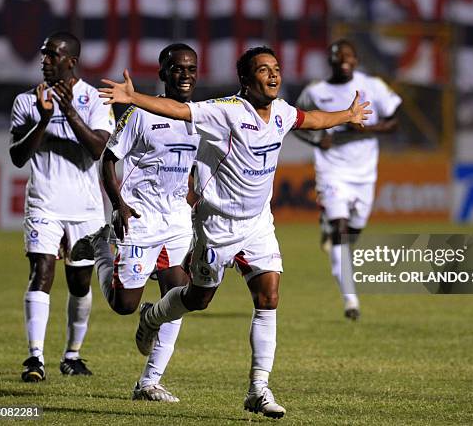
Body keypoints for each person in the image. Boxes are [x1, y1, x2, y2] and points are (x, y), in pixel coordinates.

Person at [97, 46, 371, 419]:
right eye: (263, 70)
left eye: (276, 68)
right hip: (216, 226)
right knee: (196, 300)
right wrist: (134, 98)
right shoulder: (224, 110)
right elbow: (179, 110)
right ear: (246, 79)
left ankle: (258, 388)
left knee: (269, 295)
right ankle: (152, 317)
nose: (273, 75)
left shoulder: (282, 112)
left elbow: (312, 119)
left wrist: (347, 115)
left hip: (258, 224)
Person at [71, 43, 199, 402]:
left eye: (191, 69)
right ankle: (99, 247)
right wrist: (119, 204)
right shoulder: (140, 113)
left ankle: (149, 382)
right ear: (163, 73)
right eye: (177, 68)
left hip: (176, 221)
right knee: (124, 306)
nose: (185, 75)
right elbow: (108, 160)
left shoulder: (199, 116)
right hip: (139, 217)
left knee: (180, 298)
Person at [9, 31, 114, 382]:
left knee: (80, 282)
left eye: (52, 55)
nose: (45, 61)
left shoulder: (95, 99)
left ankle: (72, 355)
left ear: (71, 61)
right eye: (44, 55)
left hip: (85, 208)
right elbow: (17, 155)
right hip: (44, 203)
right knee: (41, 272)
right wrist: (42, 120)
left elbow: (99, 148)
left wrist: (67, 111)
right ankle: (35, 358)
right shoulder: (27, 101)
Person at [295, 39, 401, 321]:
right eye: (338, 55)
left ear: (356, 59)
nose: (344, 59)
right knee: (340, 230)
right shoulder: (315, 92)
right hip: (332, 171)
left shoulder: (373, 85)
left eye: (349, 55)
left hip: (365, 173)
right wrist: (317, 139)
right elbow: (295, 122)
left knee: (353, 231)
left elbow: (394, 122)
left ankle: (330, 230)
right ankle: (350, 300)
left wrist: (359, 129)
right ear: (329, 60)